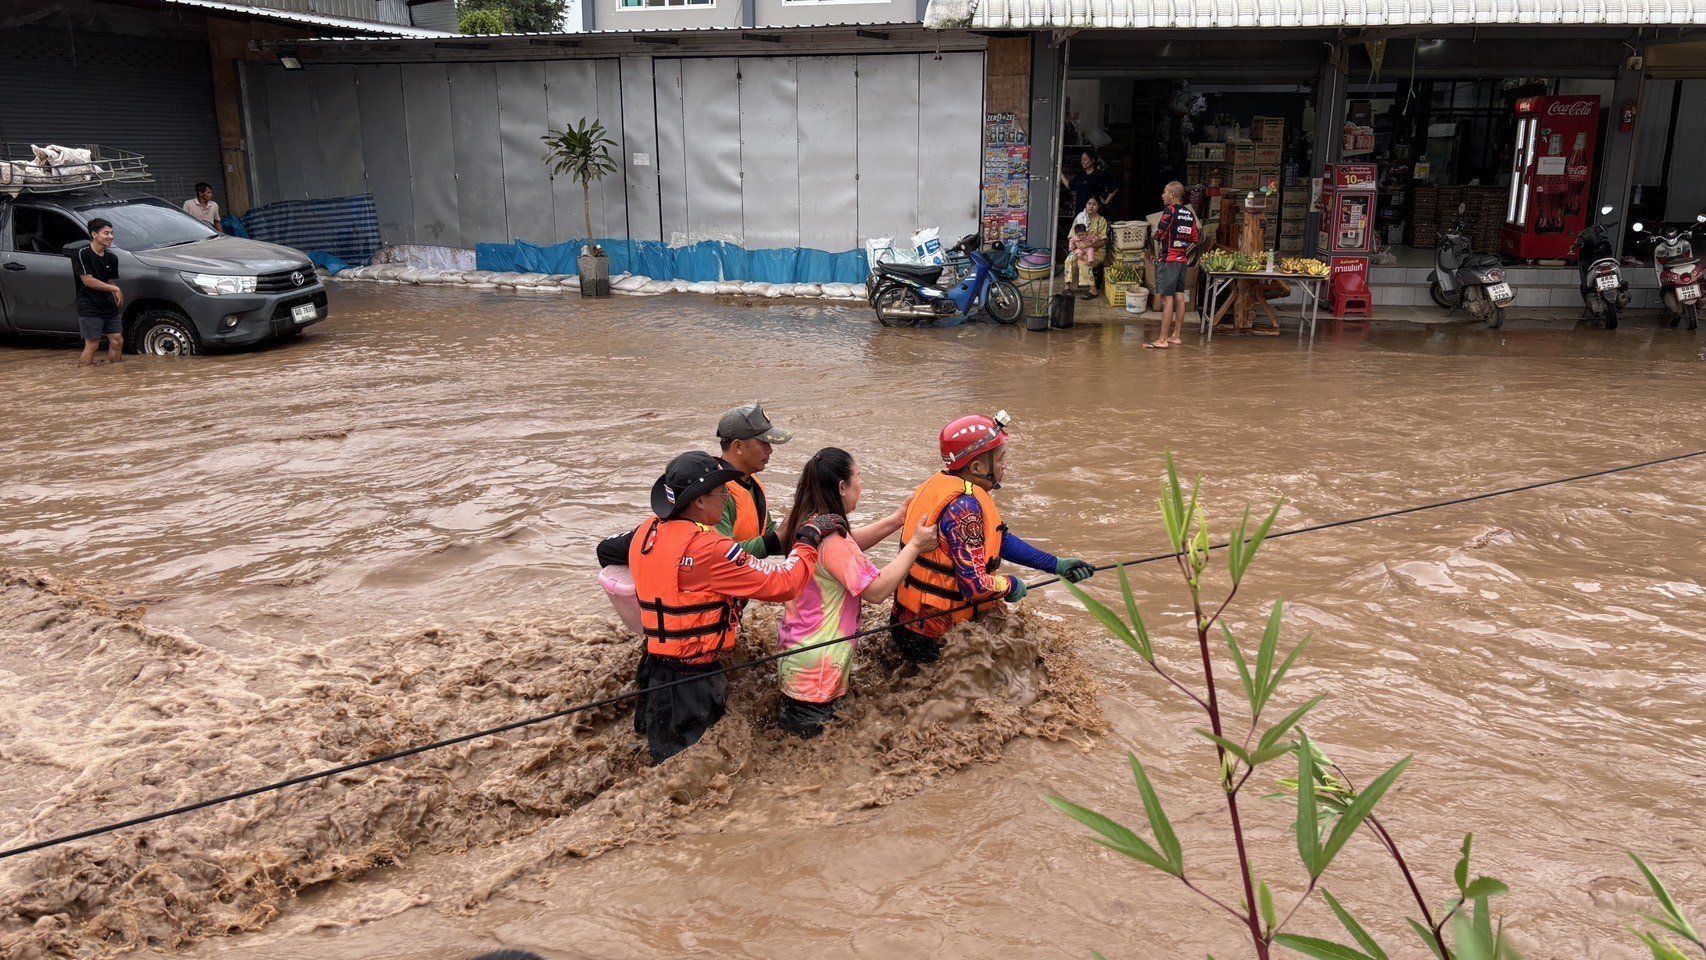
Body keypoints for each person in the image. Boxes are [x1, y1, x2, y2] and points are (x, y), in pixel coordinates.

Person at [627, 451, 846, 764]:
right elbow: (784, 583)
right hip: (693, 682)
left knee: (661, 762)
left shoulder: (645, 531)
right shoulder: (711, 549)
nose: (727, 497)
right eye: (721, 492)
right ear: (699, 501)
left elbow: (607, 552)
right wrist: (807, 541)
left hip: (653, 669)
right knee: (694, 774)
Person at [889, 413, 1097, 665]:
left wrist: (1056, 565)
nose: (1005, 465)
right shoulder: (964, 508)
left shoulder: (944, 484)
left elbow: (1000, 541)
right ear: (977, 468)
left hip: (909, 621)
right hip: (932, 636)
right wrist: (1009, 585)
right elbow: (975, 587)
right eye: (1000, 459)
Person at [773, 448, 941, 739]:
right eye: (859, 477)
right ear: (841, 487)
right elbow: (875, 591)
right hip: (818, 673)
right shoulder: (832, 539)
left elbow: (848, 550)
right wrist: (915, 546)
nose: (861, 485)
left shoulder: (809, 522)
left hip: (799, 656)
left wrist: (897, 519)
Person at [1147, 181, 1200, 350]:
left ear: (1171, 195)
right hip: (1182, 261)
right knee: (1180, 296)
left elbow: (1160, 233)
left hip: (1169, 260)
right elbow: (1195, 238)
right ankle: (1176, 336)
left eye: (1164, 192)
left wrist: (1157, 235)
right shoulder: (1189, 213)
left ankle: (1162, 339)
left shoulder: (1169, 211)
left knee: (1166, 299)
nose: (1162, 196)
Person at [73, 218, 124, 367]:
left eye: (112, 233)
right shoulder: (82, 254)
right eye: (106, 233)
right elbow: (87, 281)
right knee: (92, 344)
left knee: (117, 340)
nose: (110, 236)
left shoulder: (112, 258)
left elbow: (109, 280)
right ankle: (85, 374)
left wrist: (114, 291)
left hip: (108, 305)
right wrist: (115, 289)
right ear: (94, 234)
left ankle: (116, 374)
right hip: (89, 305)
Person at [1059, 150, 1116, 217]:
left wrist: (1106, 202)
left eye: (1085, 159)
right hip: (1080, 212)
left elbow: (1114, 187)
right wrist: (1060, 174)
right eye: (1081, 159)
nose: (1082, 162)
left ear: (1092, 160)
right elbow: (1071, 186)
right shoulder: (1081, 174)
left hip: (1094, 213)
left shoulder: (1100, 175)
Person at [1064, 224, 1098, 296]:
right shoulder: (1079, 217)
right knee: (1069, 260)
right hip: (1077, 250)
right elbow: (1071, 240)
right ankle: (1067, 286)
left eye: (1083, 235)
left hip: (1092, 250)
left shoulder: (1101, 220)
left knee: (1084, 262)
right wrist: (1073, 246)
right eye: (1079, 235)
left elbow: (1102, 241)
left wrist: (1089, 244)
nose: (1081, 236)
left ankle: (1093, 290)